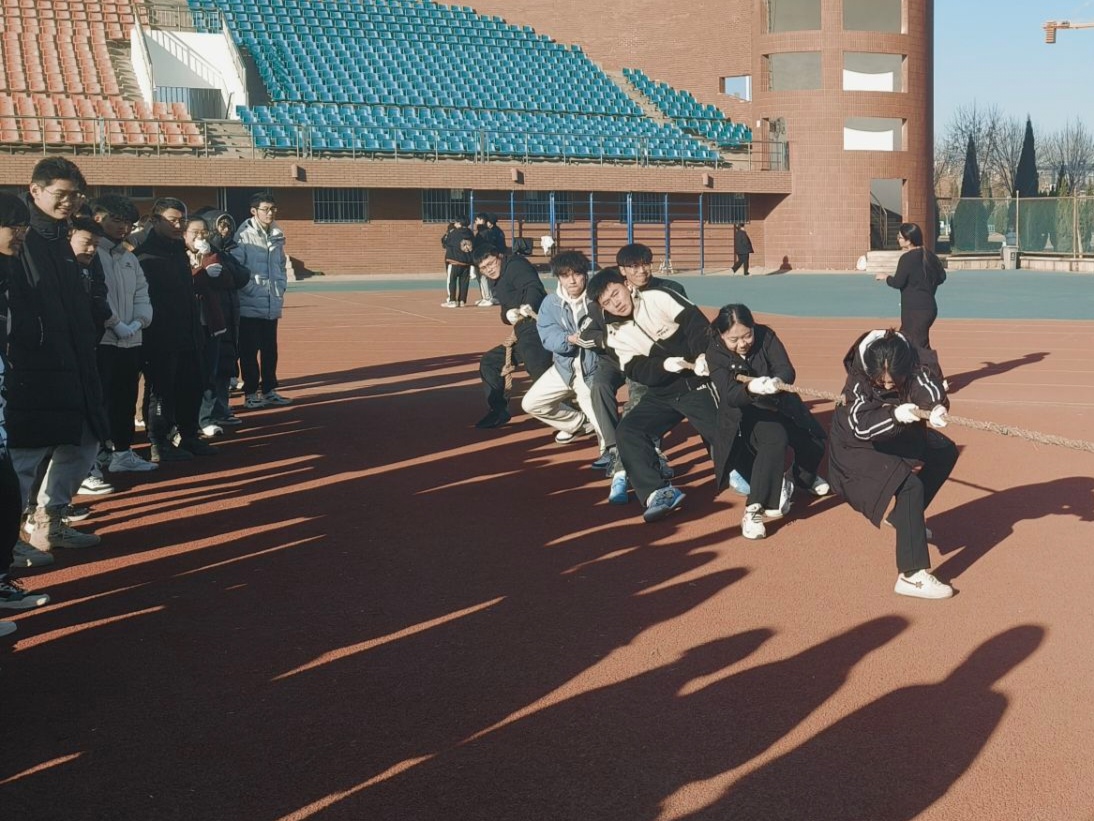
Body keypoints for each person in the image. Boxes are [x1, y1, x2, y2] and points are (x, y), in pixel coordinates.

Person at [7, 158, 107, 553]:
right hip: (32, 365)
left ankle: (51, 520)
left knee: (85, 442)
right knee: (25, 454)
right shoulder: (20, 237)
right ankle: (10, 538)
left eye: (76, 195)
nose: (70, 202)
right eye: (61, 194)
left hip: (74, 359)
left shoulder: (63, 238)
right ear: (35, 190)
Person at [827, 329, 958, 599]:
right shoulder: (857, 380)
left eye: (893, 380)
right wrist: (895, 415)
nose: (887, 386)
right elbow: (861, 426)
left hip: (896, 431)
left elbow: (925, 383)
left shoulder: (910, 359)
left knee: (944, 451)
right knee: (909, 487)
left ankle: (903, 518)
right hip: (857, 445)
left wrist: (936, 406)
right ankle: (911, 575)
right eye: (880, 380)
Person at [586, 267, 722, 523]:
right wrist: (664, 366)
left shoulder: (659, 297)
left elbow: (697, 325)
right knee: (628, 431)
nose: (616, 303)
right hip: (664, 390)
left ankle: (760, 475)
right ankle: (658, 492)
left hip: (697, 382)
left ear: (626, 285)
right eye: (607, 302)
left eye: (616, 293)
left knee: (722, 432)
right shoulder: (613, 334)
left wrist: (702, 355)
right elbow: (636, 370)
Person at [706, 304, 829, 539]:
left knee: (814, 443)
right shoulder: (715, 353)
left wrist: (777, 381)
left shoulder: (766, 336)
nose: (743, 343)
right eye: (734, 339)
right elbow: (729, 394)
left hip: (780, 401)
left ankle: (797, 480)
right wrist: (751, 388)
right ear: (721, 335)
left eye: (747, 335)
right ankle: (754, 510)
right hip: (747, 411)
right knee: (775, 440)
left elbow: (786, 369)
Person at [0, 192, 53, 614]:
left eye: (23, 226)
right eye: (12, 226)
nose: (20, 234)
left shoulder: (12, 270)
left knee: (6, 497)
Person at [136, 198, 215, 462]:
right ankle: (159, 442)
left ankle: (189, 435)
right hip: (160, 336)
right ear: (155, 220)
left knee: (191, 385)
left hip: (189, 333)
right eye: (172, 220)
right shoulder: (145, 255)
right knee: (161, 391)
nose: (178, 225)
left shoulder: (179, 251)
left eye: (182, 220)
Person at [91, 194, 156, 473]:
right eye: (117, 220)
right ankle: (98, 453)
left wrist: (138, 322)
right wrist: (114, 323)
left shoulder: (129, 258)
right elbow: (95, 296)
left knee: (125, 398)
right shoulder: (92, 254)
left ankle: (122, 451)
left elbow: (142, 292)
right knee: (100, 399)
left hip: (130, 340)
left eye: (128, 223)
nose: (123, 228)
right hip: (103, 340)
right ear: (98, 218)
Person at [521, 250, 605, 450]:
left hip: (591, 371)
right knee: (531, 403)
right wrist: (568, 339)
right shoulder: (551, 303)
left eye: (577, 274)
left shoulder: (597, 299)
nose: (572, 280)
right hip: (563, 369)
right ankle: (577, 423)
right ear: (559, 278)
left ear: (585, 274)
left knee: (602, 422)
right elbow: (547, 335)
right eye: (566, 275)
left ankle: (610, 453)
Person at [473, 243, 553, 429]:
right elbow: (505, 308)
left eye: (491, 263)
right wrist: (507, 315)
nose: (488, 269)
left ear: (499, 256)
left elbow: (533, 287)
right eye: (483, 268)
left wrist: (528, 305)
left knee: (538, 368)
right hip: (522, 331)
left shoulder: (516, 265)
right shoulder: (498, 280)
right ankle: (498, 411)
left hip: (537, 327)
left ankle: (570, 410)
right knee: (490, 363)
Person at [233, 193, 290, 409]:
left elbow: (281, 264)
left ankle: (269, 390)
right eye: (265, 209)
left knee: (270, 351)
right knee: (248, 352)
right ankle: (250, 394)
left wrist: (280, 286)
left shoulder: (276, 233)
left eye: (273, 208)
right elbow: (237, 269)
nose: (270, 213)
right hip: (249, 304)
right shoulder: (243, 236)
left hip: (271, 302)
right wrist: (251, 289)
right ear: (254, 211)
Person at [875, 222, 947, 381]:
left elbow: (898, 282)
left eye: (900, 237)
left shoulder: (907, 259)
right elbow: (942, 277)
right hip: (927, 308)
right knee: (913, 343)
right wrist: (927, 287)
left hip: (916, 311)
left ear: (909, 240)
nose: (898, 239)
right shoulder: (929, 255)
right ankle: (911, 377)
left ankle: (937, 379)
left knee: (917, 345)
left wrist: (885, 277)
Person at [443, 216, 474, 308]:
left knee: (451, 281)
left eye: (456, 222)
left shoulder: (454, 233)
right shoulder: (470, 233)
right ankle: (462, 300)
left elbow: (445, 242)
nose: (455, 224)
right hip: (466, 262)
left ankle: (452, 300)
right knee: (464, 282)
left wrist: (447, 234)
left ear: (459, 223)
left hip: (455, 261)